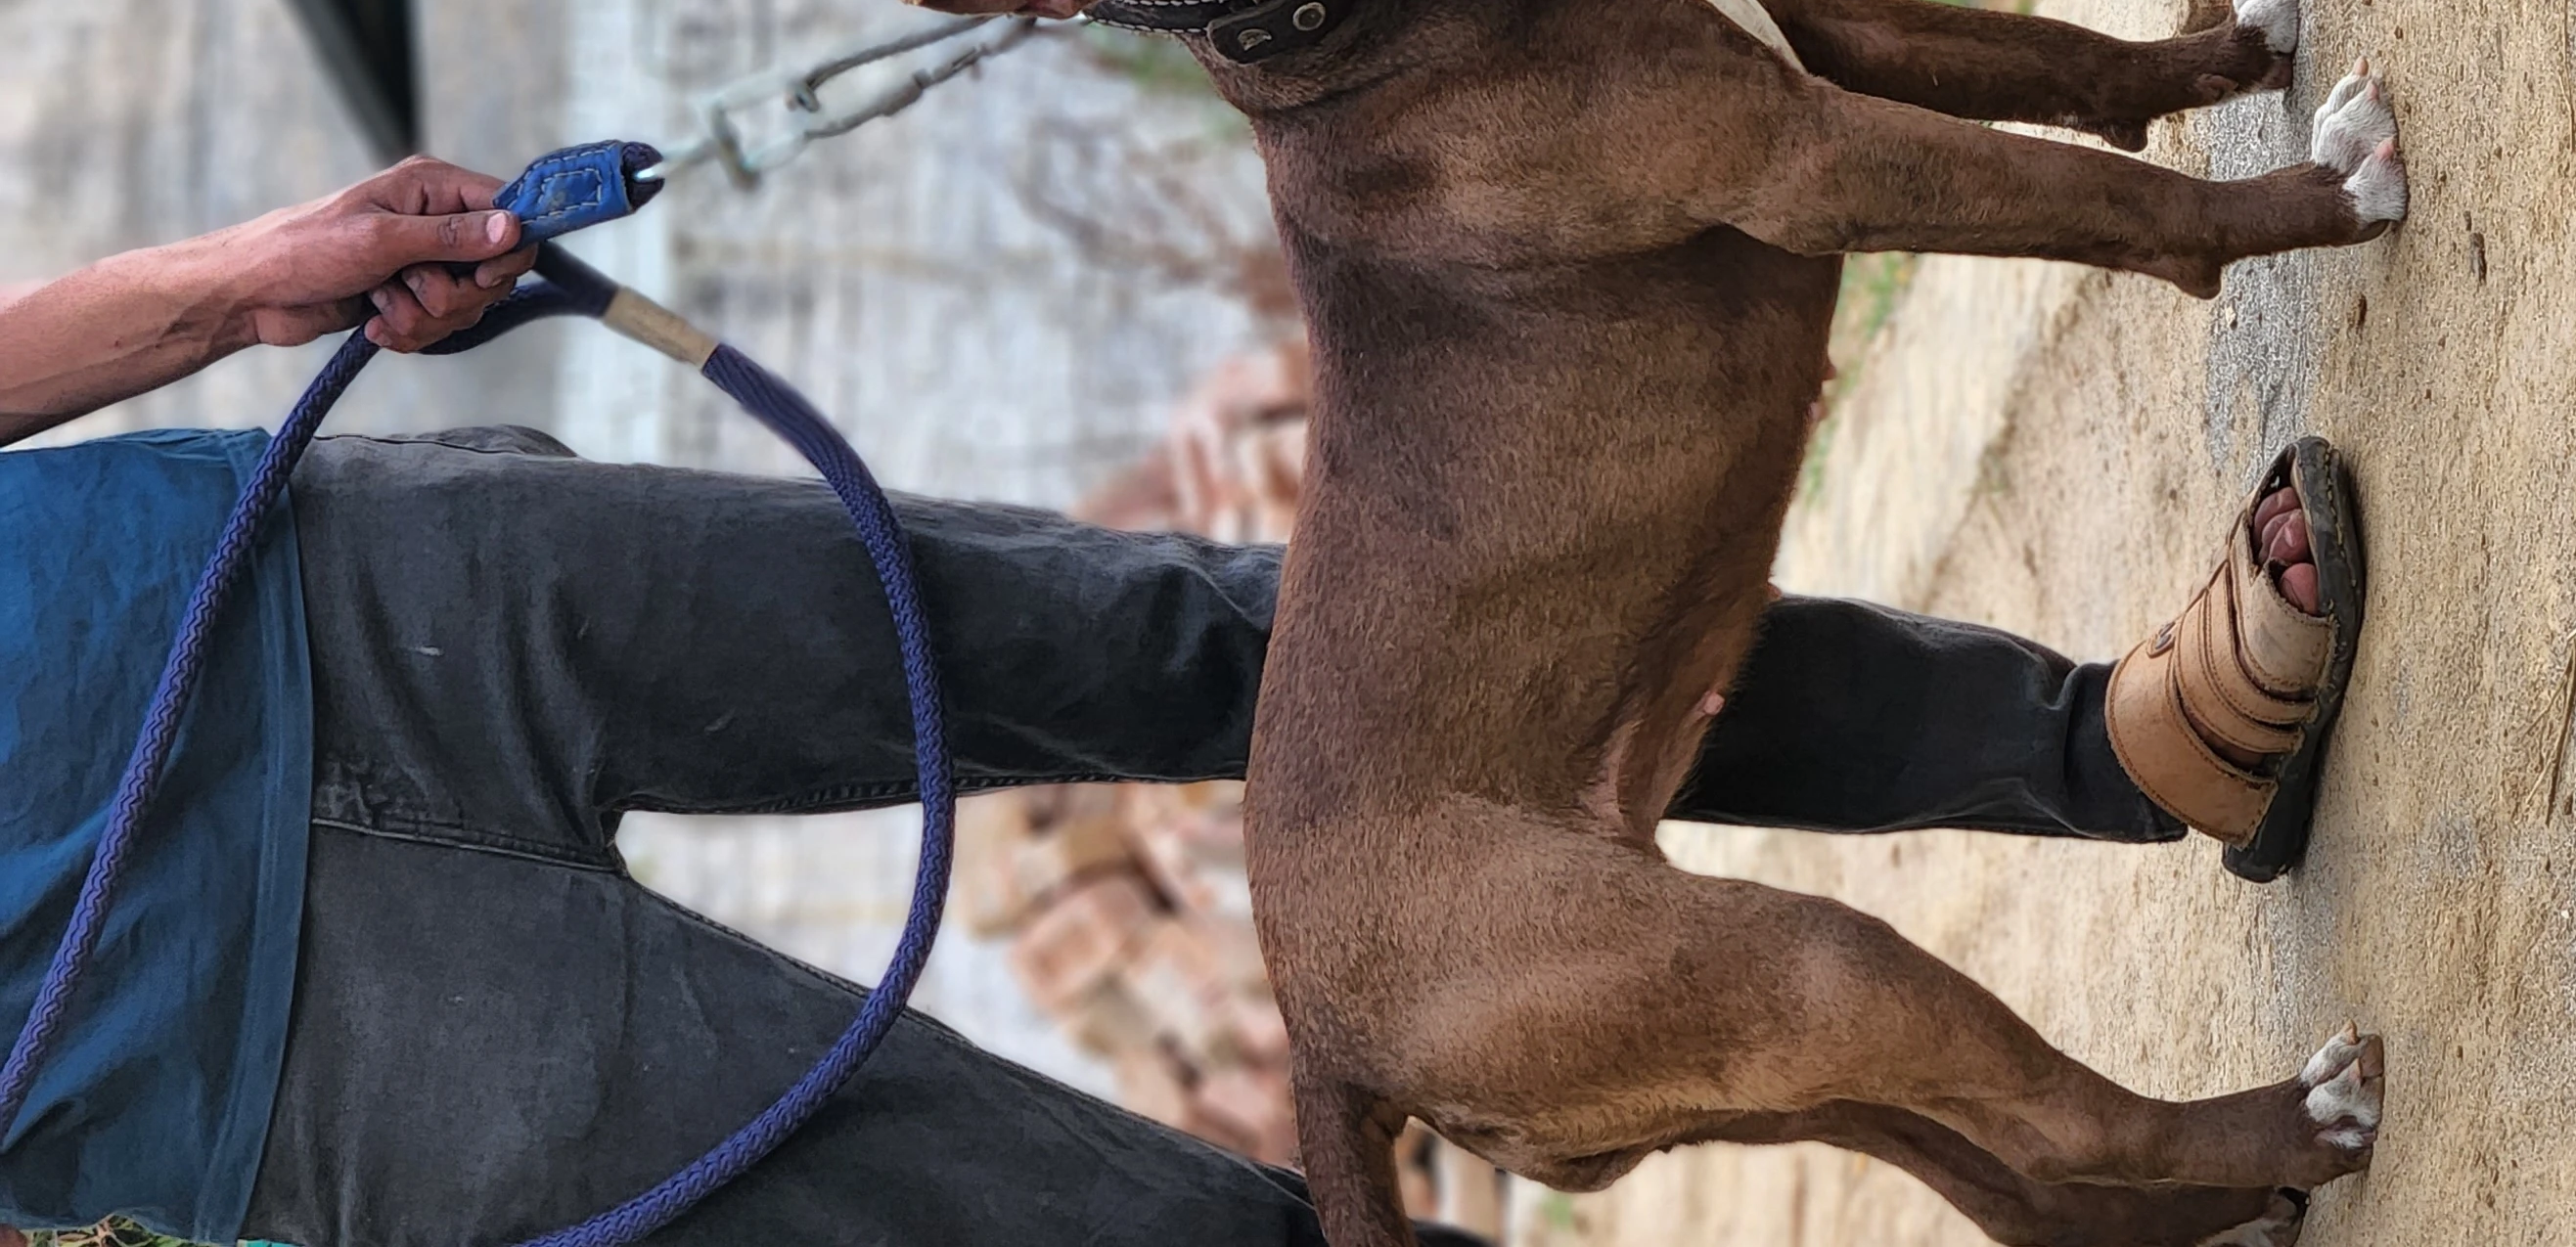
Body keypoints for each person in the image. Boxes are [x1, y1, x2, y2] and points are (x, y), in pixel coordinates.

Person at [0, 161, 2357, 1247]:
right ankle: (2066, 1187)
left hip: (293, 591)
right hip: (268, 1056)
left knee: (1263, 647)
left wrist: (242, 283)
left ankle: (2086, 747)